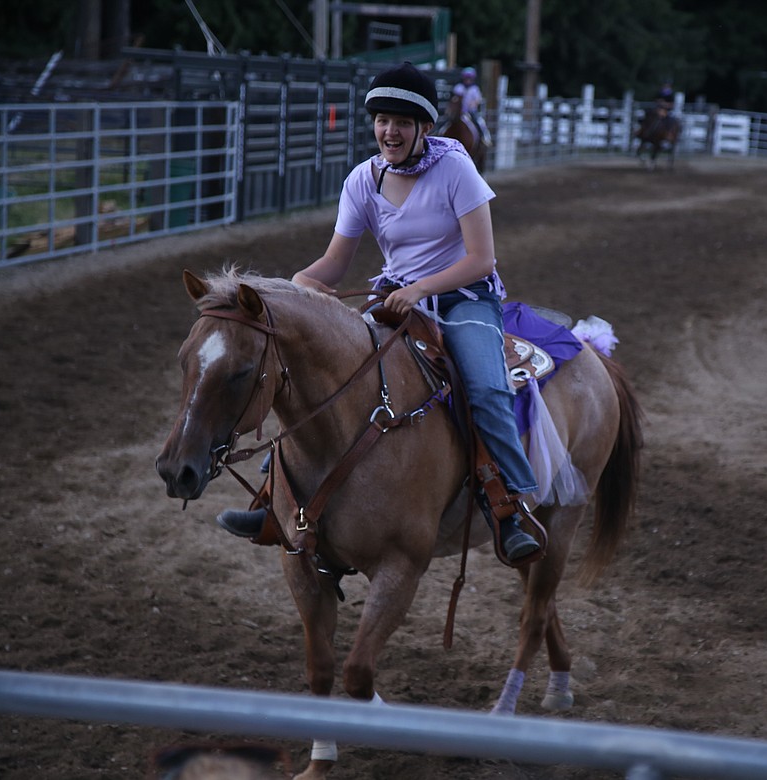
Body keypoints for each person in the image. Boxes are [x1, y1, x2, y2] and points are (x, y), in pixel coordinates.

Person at [217, 62, 540, 563]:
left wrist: (420, 290)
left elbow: (482, 259)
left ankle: (511, 506)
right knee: (313, 375)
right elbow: (334, 263)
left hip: (464, 298)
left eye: (403, 122)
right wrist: (294, 290)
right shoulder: (361, 180)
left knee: (486, 385)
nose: (390, 131)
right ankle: (270, 499)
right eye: (383, 120)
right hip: (392, 300)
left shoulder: (456, 169)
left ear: (424, 128)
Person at [452, 66, 492, 146]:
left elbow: (477, 100)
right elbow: (454, 98)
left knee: (480, 122)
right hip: (459, 112)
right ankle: (439, 132)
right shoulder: (458, 88)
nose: (467, 80)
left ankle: (484, 137)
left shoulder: (475, 89)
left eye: (469, 78)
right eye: (466, 78)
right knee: (448, 120)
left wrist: (472, 104)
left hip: (470, 112)